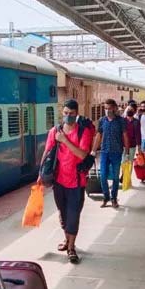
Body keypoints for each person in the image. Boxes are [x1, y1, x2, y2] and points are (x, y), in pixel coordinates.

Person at [40, 100, 94, 264]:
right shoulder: (54, 132)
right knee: (63, 214)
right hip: (58, 181)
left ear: (76, 114)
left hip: (77, 181)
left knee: (73, 214)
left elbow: (83, 154)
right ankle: (67, 239)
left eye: (71, 113)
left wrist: (64, 141)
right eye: (65, 113)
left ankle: (71, 247)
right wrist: (40, 174)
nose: (68, 116)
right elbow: (47, 151)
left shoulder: (83, 132)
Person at [92, 99, 129, 208]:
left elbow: (125, 136)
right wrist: (93, 150)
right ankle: (106, 196)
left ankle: (114, 198)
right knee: (103, 176)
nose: (107, 111)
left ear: (115, 108)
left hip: (117, 152)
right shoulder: (102, 120)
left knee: (115, 177)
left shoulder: (121, 121)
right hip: (104, 152)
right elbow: (98, 136)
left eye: (110, 108)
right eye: (106, 108)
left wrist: (126, 152)